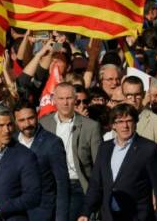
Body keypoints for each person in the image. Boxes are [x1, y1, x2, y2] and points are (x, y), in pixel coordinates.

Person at [78, 103, 157, 221]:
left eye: (129, 121)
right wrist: (86, 212)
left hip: (138, 216)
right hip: (109, 216)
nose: (125, 125)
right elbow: (95, 184)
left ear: (135, 123)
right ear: (113, 125)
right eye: (120, 121)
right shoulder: (104, 148)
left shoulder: (149, 149)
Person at [39, 82, 101, 221]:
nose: (65, 103)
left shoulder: (91, 126)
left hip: (76, 185)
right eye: (61, 98)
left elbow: (99, 164)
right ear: (54, 100)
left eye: (69, 98)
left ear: (75, 100)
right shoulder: (43, 124)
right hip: (50, 185)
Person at [13, 100, 69, 221]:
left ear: (37, 116)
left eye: (30, 118)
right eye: (22, 120)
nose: (27, 123)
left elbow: (62, 184)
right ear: (15, 121)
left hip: (42, 213)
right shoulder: (11, 142)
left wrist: (61, 218)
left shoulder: (52, 143)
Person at [122, 76, 157, 166]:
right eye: (129, 95)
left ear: (143, 94)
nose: (133, 100)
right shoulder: (118, 122)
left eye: (137, 95)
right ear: (123, 96)